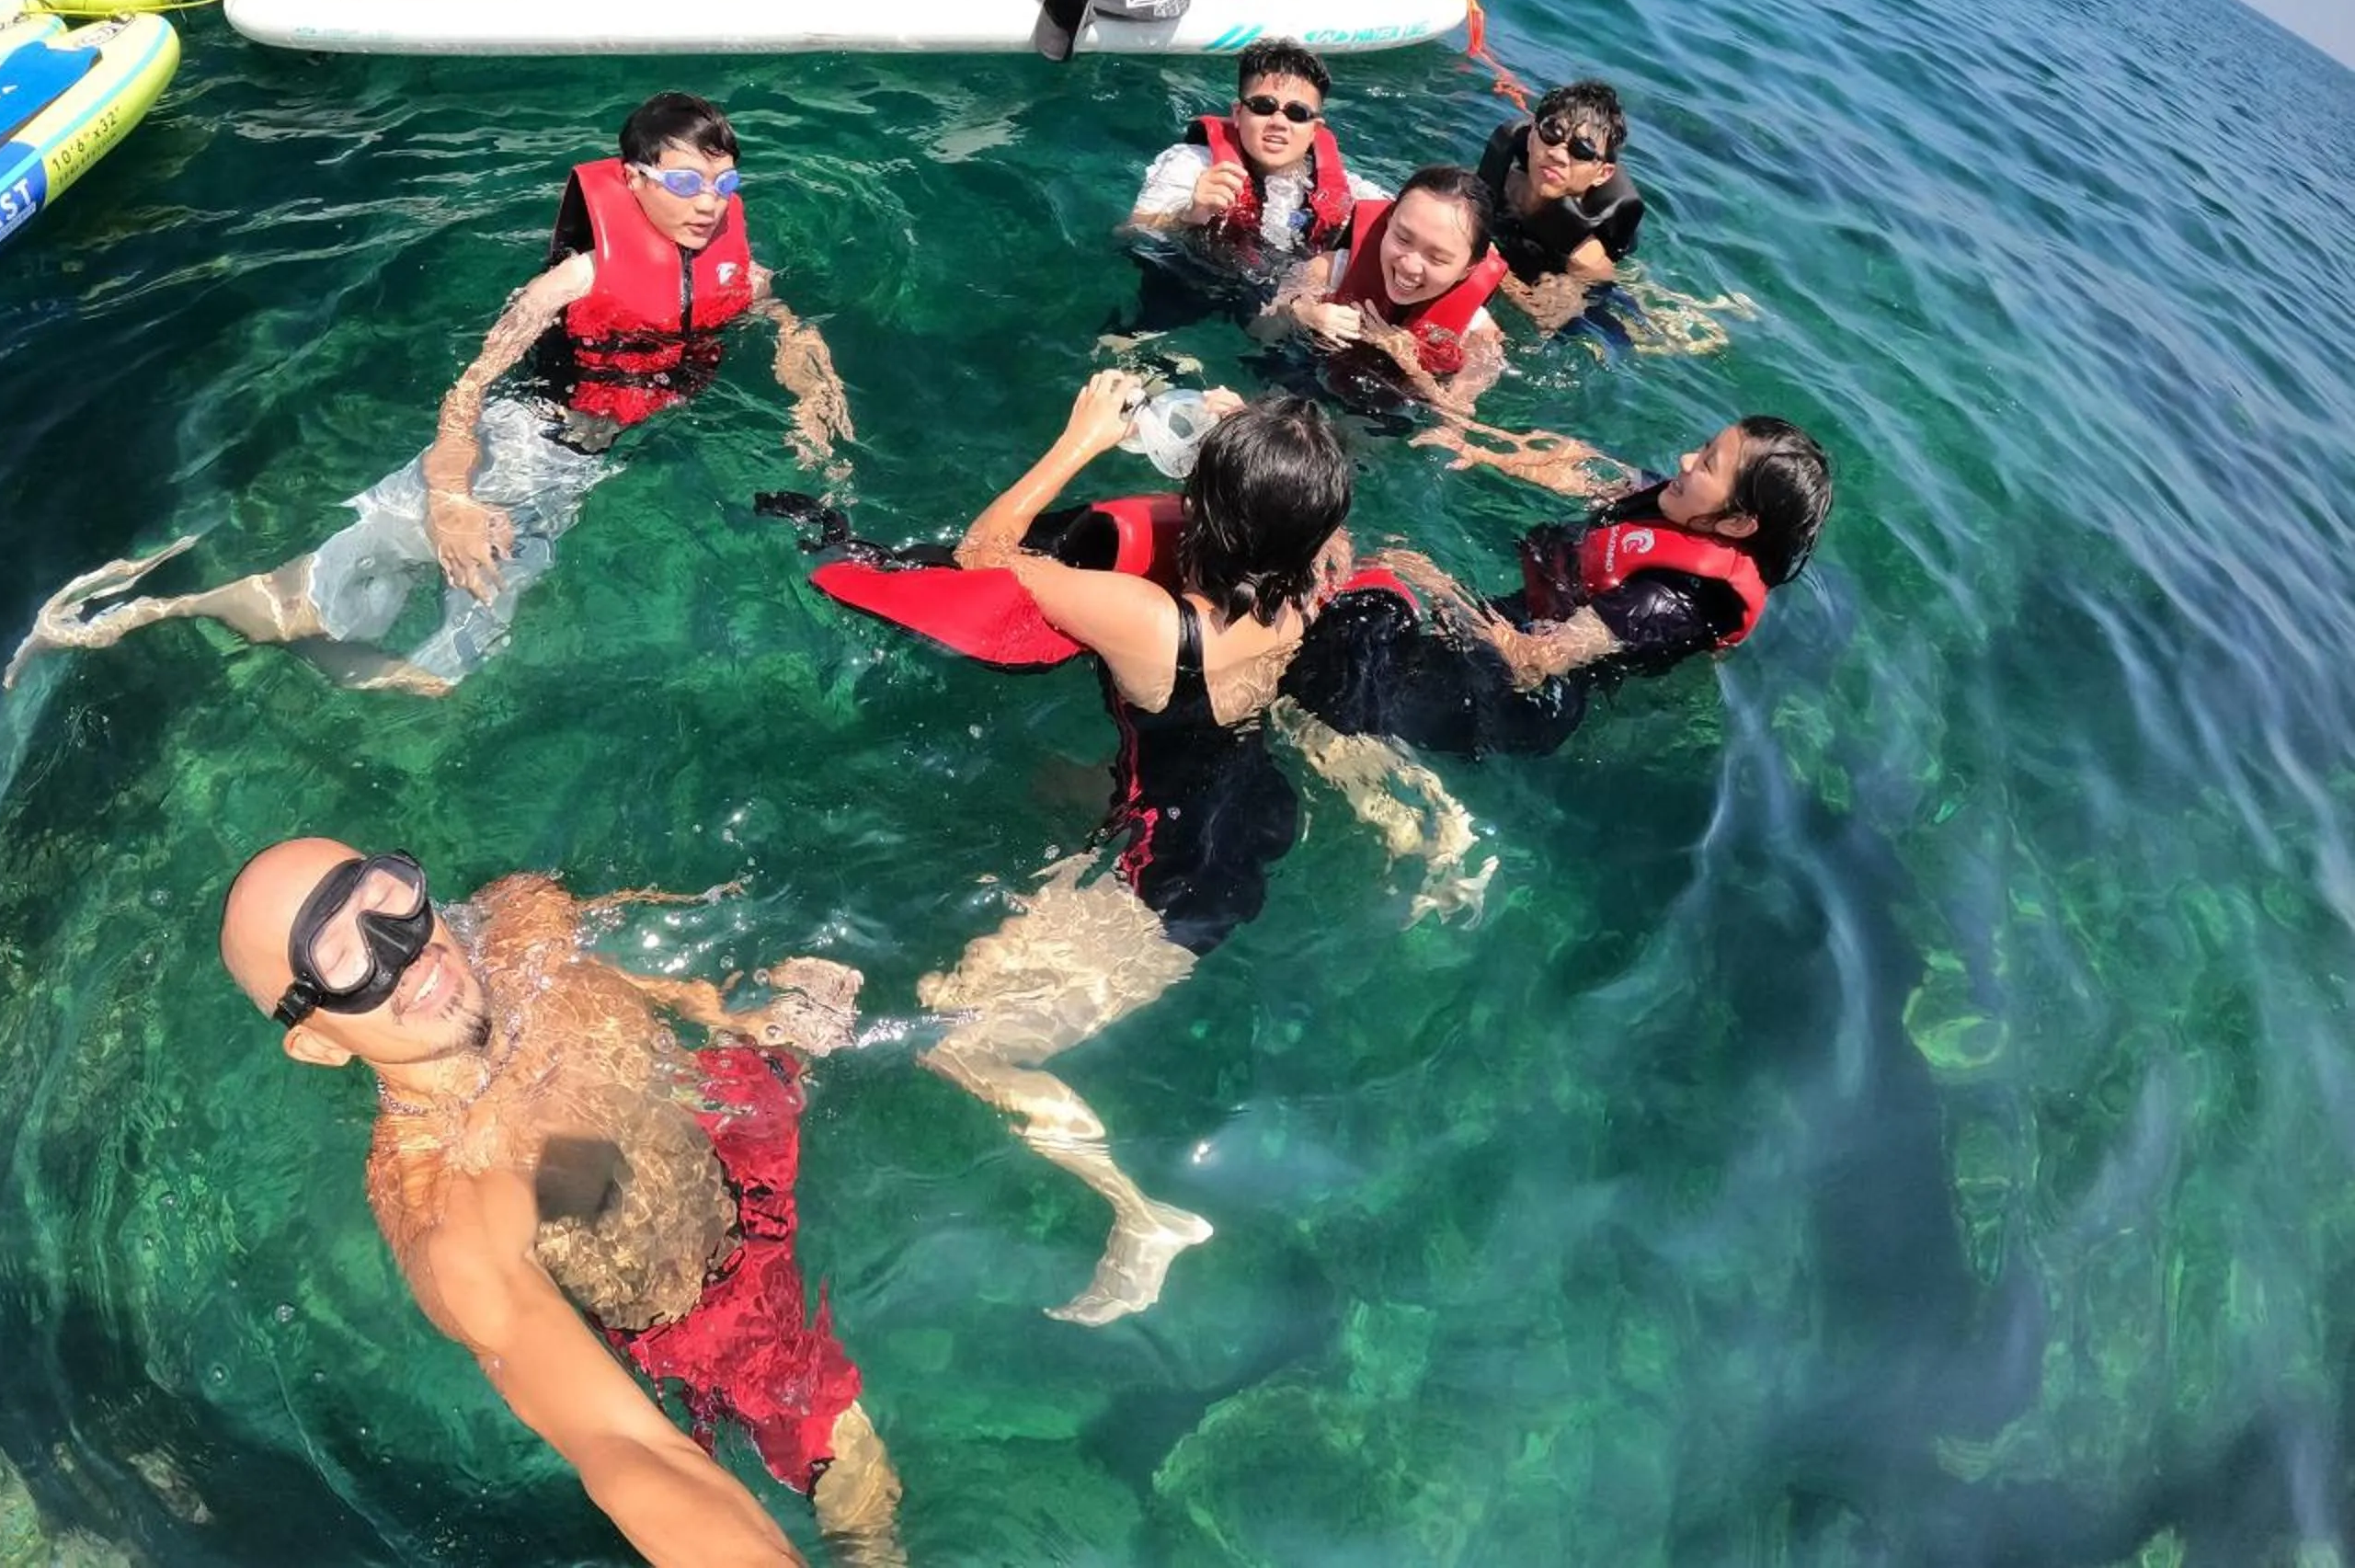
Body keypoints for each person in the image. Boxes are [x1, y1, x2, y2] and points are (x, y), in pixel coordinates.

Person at [796, 375, 1354, 1322]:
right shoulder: (1312, 575)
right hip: (1243, 805)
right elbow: (1295, 511)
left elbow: (985, 556)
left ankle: (1142, 1215)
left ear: (1207, 515)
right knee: (1037, 783)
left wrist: (1082, 439)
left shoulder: (1147, 620)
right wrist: (1237, 433)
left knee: (957, 1040)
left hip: (1167, 883)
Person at [6, 93, 852, 692]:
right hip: (527, 441)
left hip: (587, 461)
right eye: (684, 183)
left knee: (405, 632)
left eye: (723, 186)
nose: (708, 205)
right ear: (632, 181)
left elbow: (779, 315)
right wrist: (450, 494)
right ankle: (150, 611)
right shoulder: (568, 284)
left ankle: (223, 617)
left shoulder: (730, 265)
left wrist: (813, 388)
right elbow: (471, 388)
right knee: (378, 602)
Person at [219, 837, 903, 1565]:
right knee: (861, 1484)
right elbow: (629, 1450)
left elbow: (649, 981)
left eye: (383, 895)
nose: (404, 952)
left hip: (728, 1103)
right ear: (318, 1044)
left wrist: (732, 1014)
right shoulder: (454, 1206)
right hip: (717, 1307)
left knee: (969, 993)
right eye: (340, 956)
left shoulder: (523, 923)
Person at [1284, 414, 1834, 756]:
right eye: (1705, 446)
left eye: (1709, 464)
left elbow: (1534, 661)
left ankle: (1385, 779)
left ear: (1737, 525)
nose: (1688, 460)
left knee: (1346, 683)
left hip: (1524, 697)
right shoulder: (1685, 507)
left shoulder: (1663, 602)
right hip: (1532, 611)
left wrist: (1438, 585)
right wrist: (1485, 451)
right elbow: (1585, 473)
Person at [1126, 41, 1390, 285]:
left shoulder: (1345, 187)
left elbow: (1404, 221)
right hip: (1191, 283)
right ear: (1239, 114)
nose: (1278, 122)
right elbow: (1130, 234)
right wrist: (1189, 214)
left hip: (1279, 303)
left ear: (1314, 129)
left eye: (1297, 113)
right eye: (1264, 106)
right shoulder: (1193, 164)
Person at [1253, 166, 1506, 415]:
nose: (1409, 266)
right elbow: (1260, 330)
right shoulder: (1328, 272)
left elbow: (1455, 416)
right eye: (1403, 239)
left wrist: (1413, 366)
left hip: (1385, 420)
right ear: (1388, 221)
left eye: (1437, 258)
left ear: (1468, 269)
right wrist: (1303, 312)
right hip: (1300, 378)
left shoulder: (1478, 337)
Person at [1469, 79, 1643, 334]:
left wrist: (1495, 269)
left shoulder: (1586, 255)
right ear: (1531, 137)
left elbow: (1547, 317)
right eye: (1552, 133)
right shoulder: (1499, 183)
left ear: (1603, 174)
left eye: (1582, 150)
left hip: (1567, 281)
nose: (1558, 154)